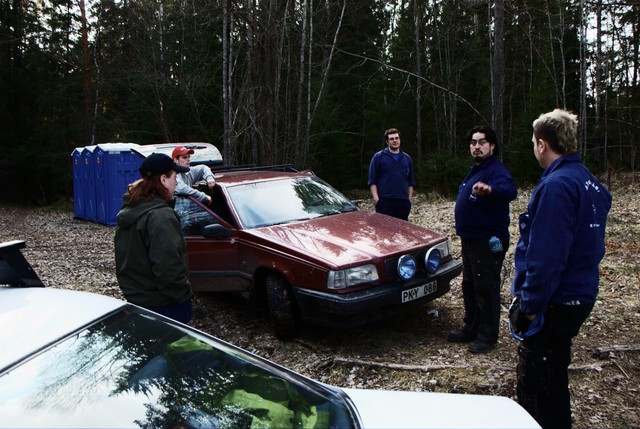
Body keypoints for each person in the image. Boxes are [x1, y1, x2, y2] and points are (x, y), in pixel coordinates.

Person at [509, 109, 612, 429]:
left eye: (533, 143)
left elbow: (547, 257)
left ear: (542, 144)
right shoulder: (590, 183)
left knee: (541, 389)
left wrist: (528, 308)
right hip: (578, 295)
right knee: (554, 374)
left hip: (556, 301)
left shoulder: (556, 186)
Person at [449, 125, 517, 353]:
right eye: (473, 143)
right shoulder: (477, 168)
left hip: (487, 240)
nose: (476, 147)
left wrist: (490, 190)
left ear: (492, 145)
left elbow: (510, 190)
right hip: (470, 238)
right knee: (469, 285)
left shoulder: (496, 170)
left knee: (486, 289)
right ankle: (471, 328)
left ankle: (487, 336)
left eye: (481, 142)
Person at [114, 152, 194, 324]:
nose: (177, 182)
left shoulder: (132, 209)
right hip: (164, 305)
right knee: (173, 349)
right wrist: (185, 297)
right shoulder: (160, 216)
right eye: (174, 177)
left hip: (138, 302)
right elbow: (168, 268)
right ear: (163, 179)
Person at [368, 128, 416, 220]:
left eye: (397, 138)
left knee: (401, 232)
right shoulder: (378, 157)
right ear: (387, 141)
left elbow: (410, 181)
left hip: (403, 202)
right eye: (392, 139)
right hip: (385, 201)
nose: (395, 141)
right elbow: (372, 180)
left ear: (400, 140)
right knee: (384, 232)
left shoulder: (407, 158)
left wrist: (409, 200)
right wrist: (376, 199)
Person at [172, 145, 218, 233]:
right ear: (175, 160)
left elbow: (203, 168)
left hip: (188, 214)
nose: (188, 159)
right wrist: (205, 197)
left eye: (189, 157)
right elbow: (182, 189)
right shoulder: (174, 175)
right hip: (178, 219)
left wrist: (209, 178)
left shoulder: (189, 171)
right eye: (184, 157)